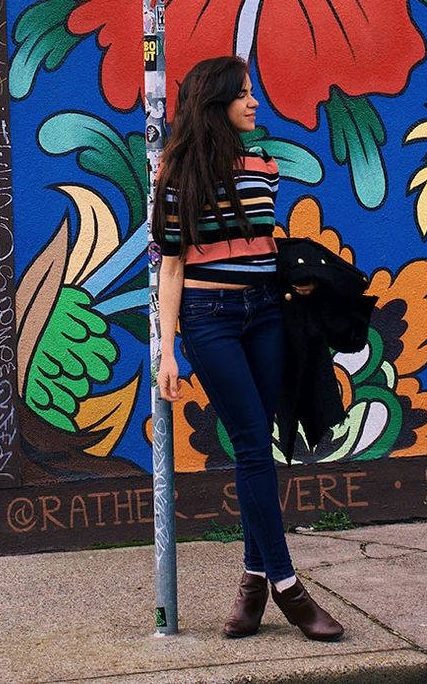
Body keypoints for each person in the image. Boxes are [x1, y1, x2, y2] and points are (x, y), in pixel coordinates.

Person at [153, 55, 344, 643]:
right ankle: (289, 586)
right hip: (209, 320)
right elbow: (172, 265)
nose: (254, 101)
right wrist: (167, 351)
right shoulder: (175, 172)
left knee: (261, 449)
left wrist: (298, 279)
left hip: (265, 313)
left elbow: (261, 243)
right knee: (250, 446)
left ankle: (253, 581)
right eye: (243, 93)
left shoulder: (265, 164)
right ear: (216, 103)